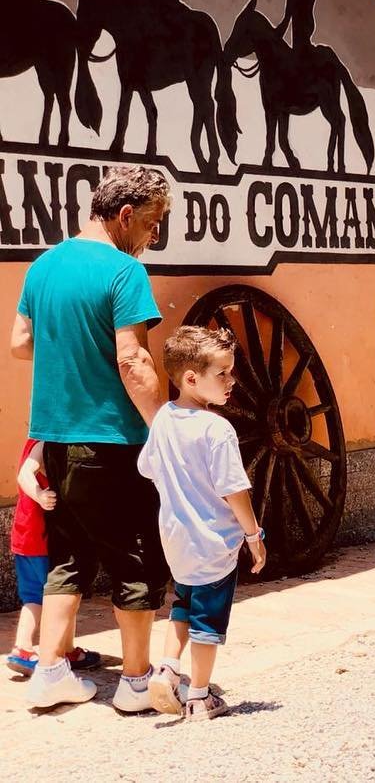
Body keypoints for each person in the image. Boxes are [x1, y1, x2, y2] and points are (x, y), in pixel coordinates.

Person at [11, 165, 170, 711]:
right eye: (152, 224)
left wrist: (71, 349)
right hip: (110, 440)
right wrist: (164, 426)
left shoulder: (44, 265)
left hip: (53, 439)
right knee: (135, 556)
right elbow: (133, 359)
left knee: (68, 556)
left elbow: (20, 341)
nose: (152, 238)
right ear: (125, 216)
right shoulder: (124, 272)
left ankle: (51, 671)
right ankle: (134, 683)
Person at [140, 326, 266, 721]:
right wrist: (253, 535)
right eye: (223, 374)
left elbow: (148, 468)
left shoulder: (163, 420)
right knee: (207, 621)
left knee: (182, 604)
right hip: (214, 542)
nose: (232, 381)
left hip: (176, 539)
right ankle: (199, 696)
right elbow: (234, 490)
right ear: (192, 378)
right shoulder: (217, 428)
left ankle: (166, 668)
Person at [7, 439, 101, 676]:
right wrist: (39, 494)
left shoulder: (37, 441)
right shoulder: (44, 443)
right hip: (43, 538)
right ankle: (63, 649)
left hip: (25, 538)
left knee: (34, 598)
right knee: (64, 592)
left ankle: (24, 647)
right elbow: (24, 474)